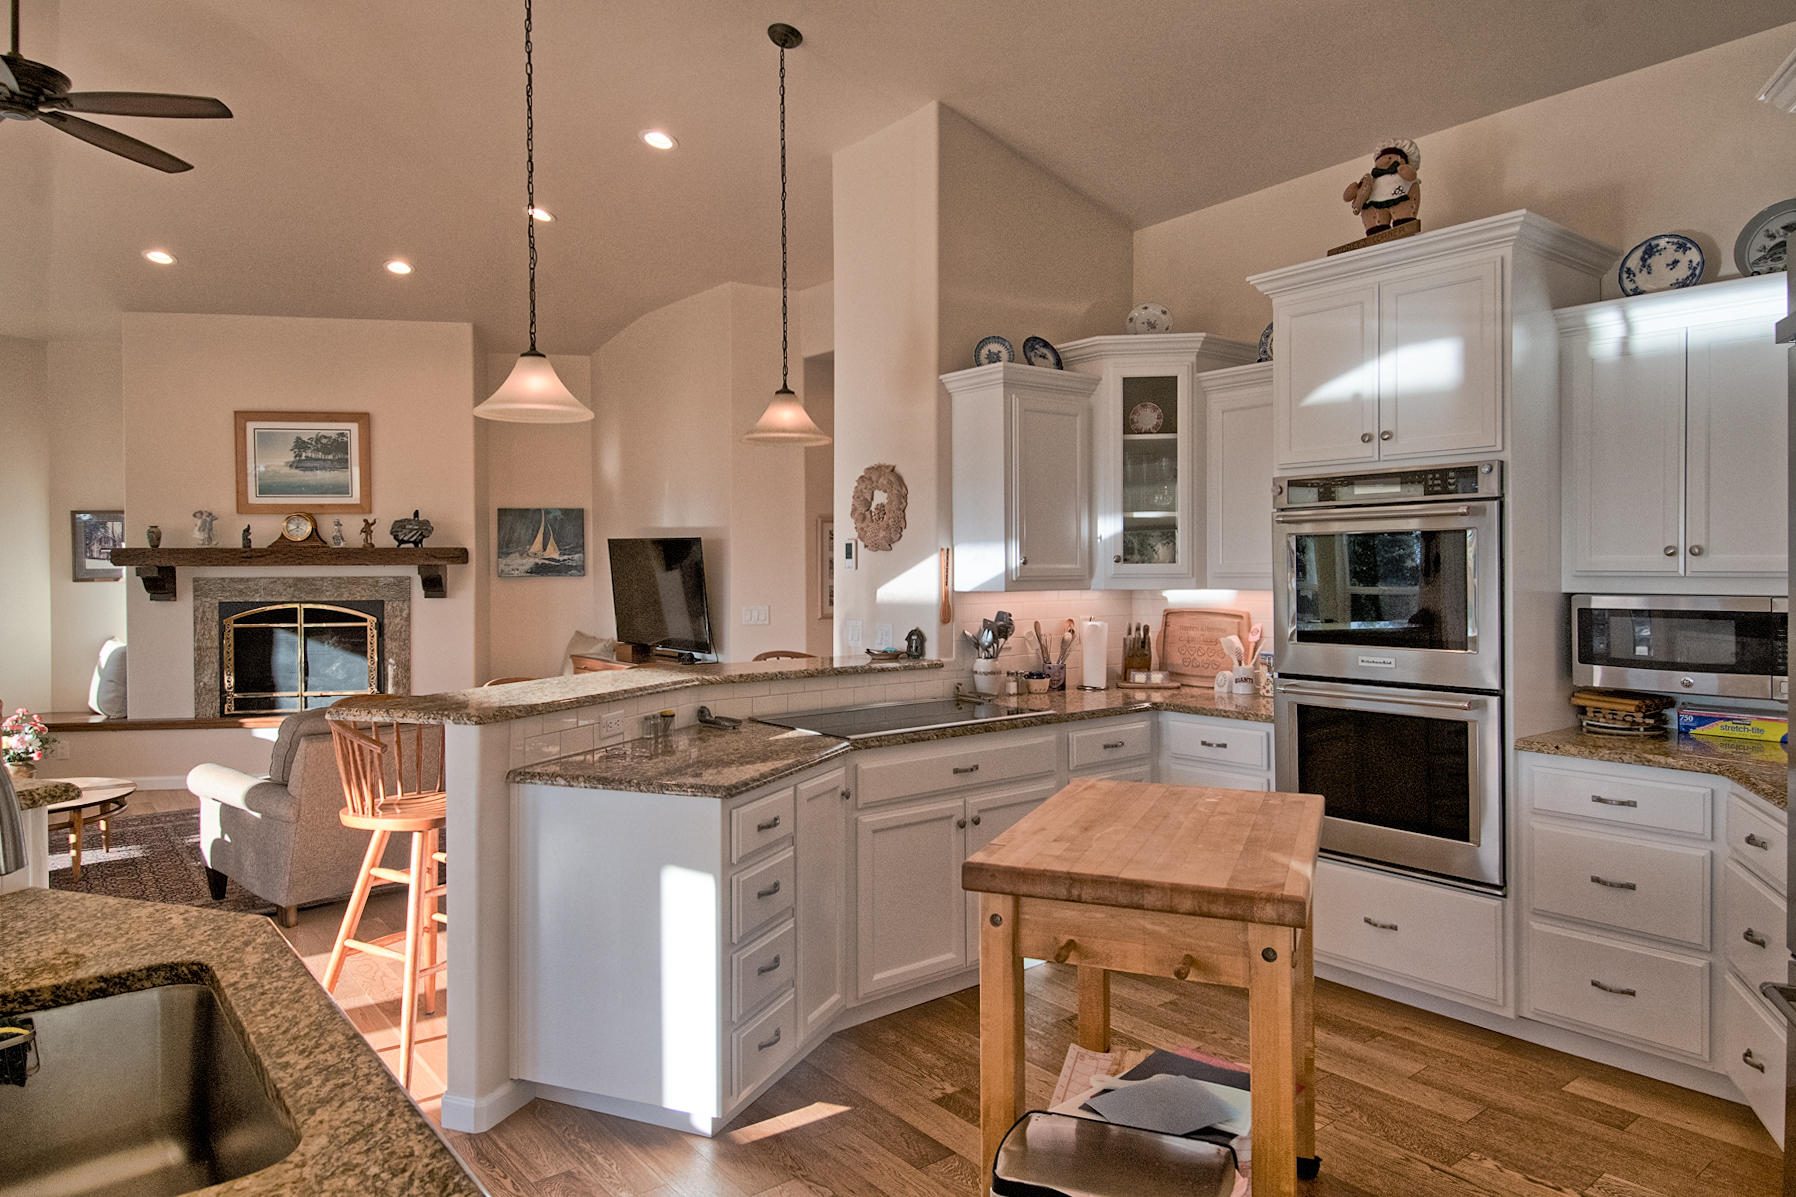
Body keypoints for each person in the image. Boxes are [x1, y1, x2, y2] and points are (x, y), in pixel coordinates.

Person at [1344, 137, 1421, 236]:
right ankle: (1376, 230)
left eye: (1389, 157)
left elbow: (1411, 175)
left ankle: (1404, 223)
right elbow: (1347, 197)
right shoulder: (1371, 180)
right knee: (1374, 219)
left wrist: (1404, 169)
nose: (1384, 160)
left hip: (1400, 195)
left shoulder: (1401, 172)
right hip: (1374, 201)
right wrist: (1355, 189)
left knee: (1402, 213)